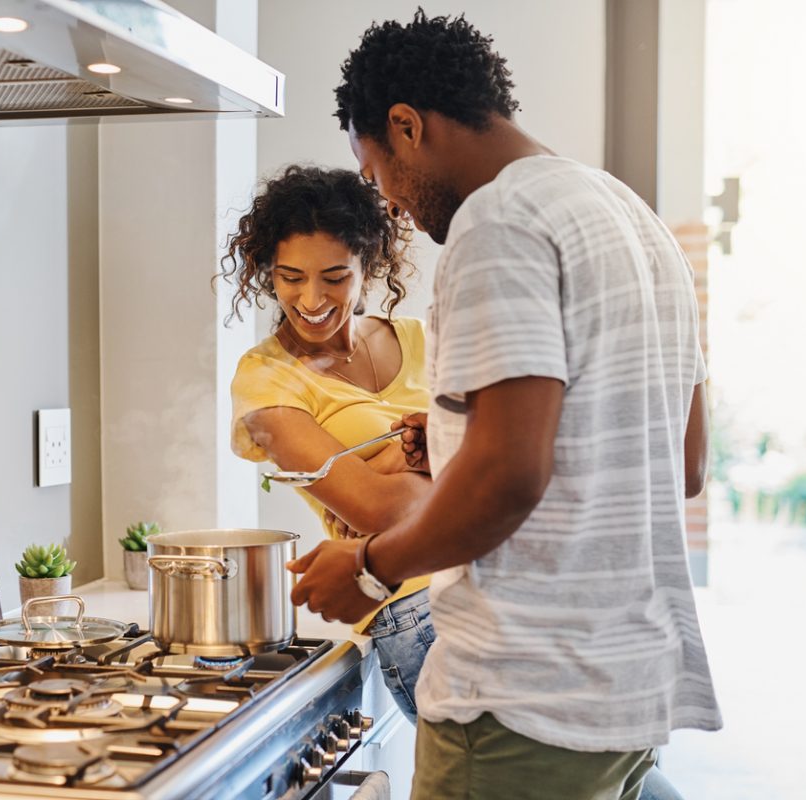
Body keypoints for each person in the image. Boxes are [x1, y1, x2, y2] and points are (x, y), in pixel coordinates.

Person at [287, 12, 721, 800]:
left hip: (522, 702)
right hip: (626, 695)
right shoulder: (635, 218)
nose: (397, 211)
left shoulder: (499, 220)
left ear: (406, 126)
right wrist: (457, 438)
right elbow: (684, 462)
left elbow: (510, 476)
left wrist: (371, 569)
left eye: (382, 180)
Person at [223, 164, 435, 721]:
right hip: (416, 608)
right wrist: (427, 449)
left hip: (501, 582)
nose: (310, 298)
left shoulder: (422, 338)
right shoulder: (264, 380)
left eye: (334, 277)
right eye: (290, 276)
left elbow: (512, 459)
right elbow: (376, 511)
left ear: (371, 265)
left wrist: (395, 463)